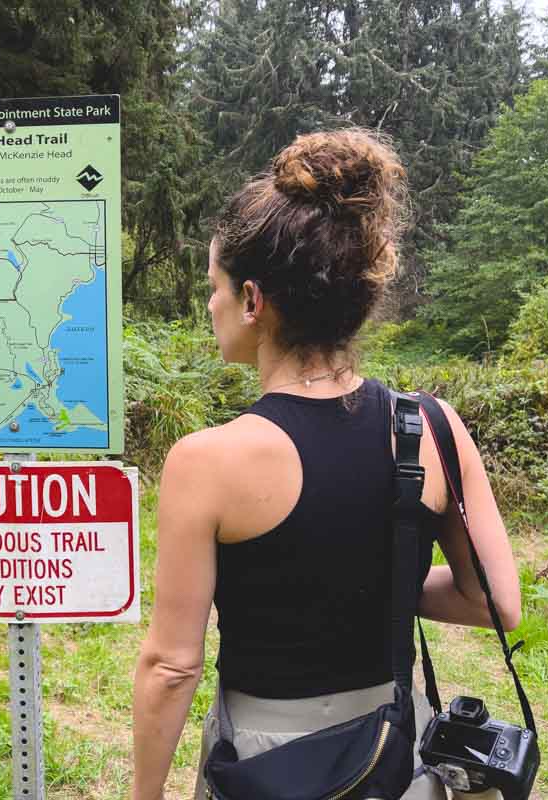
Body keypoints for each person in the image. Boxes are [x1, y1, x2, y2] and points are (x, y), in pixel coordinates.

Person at [130, 129, 522, 800]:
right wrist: (381, 579)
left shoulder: (207, 461)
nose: (210, 304)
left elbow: (171, 666)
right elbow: (494, 601)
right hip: (393, 756)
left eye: (215, 287)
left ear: (254, 301)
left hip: (263, 761)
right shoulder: (432, 426)